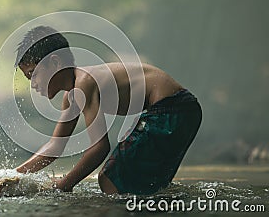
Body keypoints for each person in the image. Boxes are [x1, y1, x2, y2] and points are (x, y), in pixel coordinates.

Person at [14, 26, 202, 195]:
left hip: (172, 109)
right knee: (147, 184)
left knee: (110, 179)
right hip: (182, 110)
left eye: (33, 74)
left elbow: (99, 147)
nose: (33, 84)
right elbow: (55, 146)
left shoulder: (84, 83)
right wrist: (12, 175)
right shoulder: (72, 95)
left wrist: (64, 184)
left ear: (55, 63)